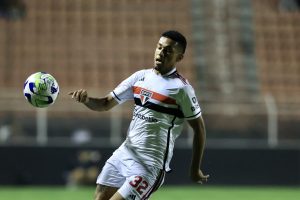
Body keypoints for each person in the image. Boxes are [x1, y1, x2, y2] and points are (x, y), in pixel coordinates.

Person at [69, 30, 209, 200]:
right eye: (159, 47)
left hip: (150, 165)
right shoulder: (140, 77)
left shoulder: (182, 89)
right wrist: (86, 100)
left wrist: (194, 169)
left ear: (179, 58)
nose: (161, 53)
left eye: (168, 51)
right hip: (124, 154)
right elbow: (105, 104)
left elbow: (199, 129)